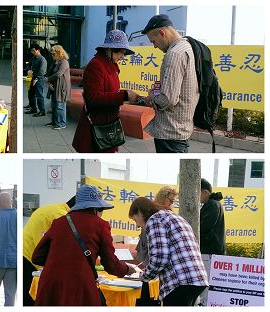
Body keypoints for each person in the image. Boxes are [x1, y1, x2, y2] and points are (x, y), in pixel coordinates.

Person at [32, 185, 136, 306]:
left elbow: (37, 257)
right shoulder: (101, 226)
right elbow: (110, 263)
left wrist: (60, 264)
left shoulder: (58, 222)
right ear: (95, 209)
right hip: (79, 287)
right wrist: (127, 269)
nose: (101, 213)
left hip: (51, 287)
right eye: (101, 209)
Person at [129, 197, 208, 306]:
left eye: (135, 220)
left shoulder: (155, 220)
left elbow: (160, 258)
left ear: (140, 212)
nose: (137, 225)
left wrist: (144, 276)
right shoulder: (173, 216)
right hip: (197, 278)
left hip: (179, 281)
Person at [72, 30, 139, 153]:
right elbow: (94, 98)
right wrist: (124, 95)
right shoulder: (96, 65)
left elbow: (111, 91)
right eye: (121, 52)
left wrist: (125, 94)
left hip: (108, 124)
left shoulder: (110, 65)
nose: (123, 56)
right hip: (97, 126)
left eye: (124, 53)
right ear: (109, 49)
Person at [140, 14, 199, 153]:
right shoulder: (188, 47)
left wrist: (151, 98)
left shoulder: (174, 54)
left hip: (170, 132)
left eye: (153, 41)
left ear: (162, 33)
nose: (154, 46)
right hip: (181, 129)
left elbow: (168, 99)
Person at [22, 196, 75, 306]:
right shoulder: (61, 215)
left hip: (27, 257)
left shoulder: (54, 209)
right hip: (29, 262)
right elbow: (65, 246)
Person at [135, 186, 178, 266]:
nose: (172, 203)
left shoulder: (168, 212)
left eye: (173, 201)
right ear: (163, 197)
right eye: (170, 200)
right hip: (147, 243)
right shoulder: (151, 208)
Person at [198, 178, 225, 305]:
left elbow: (204, 228)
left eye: (197, 193)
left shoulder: (212, 205)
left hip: (209, 251)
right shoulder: (212, 204)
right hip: (210, 251)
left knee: (205, 285)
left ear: (204, 192)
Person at [46, 45, 71, 130]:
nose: (52, 55)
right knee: (54, 105)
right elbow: (50, 73)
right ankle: (55, 122)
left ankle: (62, 123)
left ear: (59, 53)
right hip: (54, 87)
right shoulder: (55, 62)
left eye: (53, 53)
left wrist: (48, 79)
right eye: (52, 54)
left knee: (60, 106)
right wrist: (49, 82)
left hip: (61, 87)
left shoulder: (64, 62)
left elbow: (58, 74)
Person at [25, 44, 47, 116]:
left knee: (39, 94)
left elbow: (42, 70)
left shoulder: (42, 59)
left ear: (38, 50)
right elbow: (28, 64)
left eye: (34, 51)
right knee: (30, 93)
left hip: (39, 78)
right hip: (33, 77)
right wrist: (28, 69)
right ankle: (33, 108)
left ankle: (42, 111)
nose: (32, 52)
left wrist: (37, 78)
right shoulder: (33, 58)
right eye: (31, 51)